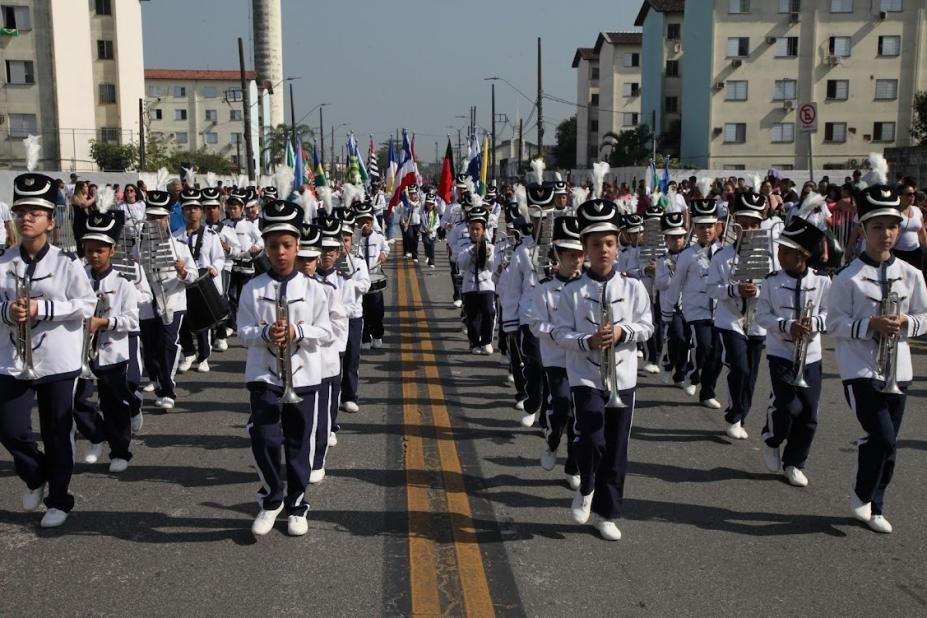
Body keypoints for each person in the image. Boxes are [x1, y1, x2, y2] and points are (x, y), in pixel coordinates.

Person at [552, 195, 653, 541]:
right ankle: (587, 485)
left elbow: (648, 326)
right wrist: (587, 341)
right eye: (596, 245)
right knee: (591, 439)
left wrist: (623, 332)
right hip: (585, 375)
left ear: (619, 245)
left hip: (622, 377)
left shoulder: (633, 287)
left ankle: (607, 513)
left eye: (610, 243)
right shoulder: (573, 291)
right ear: (584, 248)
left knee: (616, 449)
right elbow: (560, 333)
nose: (604, 251)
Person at [829, 183, 927, 534]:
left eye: (892, 226)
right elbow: (834, 323)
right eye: (877, 227)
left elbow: (924, 317)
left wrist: (906, 322)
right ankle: (861, 493)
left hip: (897, 368)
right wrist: (870, 323)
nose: (886, 234)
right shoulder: (847, 278)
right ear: (864, 230)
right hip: (859, 368)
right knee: (883, 437)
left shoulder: (912, 275)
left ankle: (876, 505)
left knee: (890, 445)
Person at [0, 173, 96, 528]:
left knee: (58, 433)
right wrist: (8, 311)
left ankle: (59, 498)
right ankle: (34, 473)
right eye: (21, 211)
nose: (26, 217)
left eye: (35, 212)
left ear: (50, 221)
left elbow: (87, 305)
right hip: (11, 359)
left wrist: (44, 309)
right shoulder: (3, 261)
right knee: (9, 428)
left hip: (57, 360)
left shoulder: (66, 263)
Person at [237, 199, 333, 537]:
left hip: (304, 375)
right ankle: (271, 498)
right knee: (264, 438)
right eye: (274, 245)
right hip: (264, 374)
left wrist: (297, 331)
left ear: (297, 247)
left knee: (298, 442)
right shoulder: (253, 288)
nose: (280, 252)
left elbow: (327, 331)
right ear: (265, 246)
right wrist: (265, 333)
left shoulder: (313, 289)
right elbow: (243, 332)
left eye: (287, 245)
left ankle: (297, 504)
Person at [755, 217, 830, 487]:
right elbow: (762, 316)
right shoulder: (772, 282)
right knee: (788, 406)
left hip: (811, 355)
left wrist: (814, 324)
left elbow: (830, 313)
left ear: (803, 255)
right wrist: (787, 326)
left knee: (809, 413)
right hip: (780, 353)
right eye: (780, 249)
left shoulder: (822, 281)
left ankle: (795, 462)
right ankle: (771, 438)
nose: (780, 255)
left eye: (786, 251)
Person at [72, 206, 141, 474]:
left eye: (100, 250)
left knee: (114, 405)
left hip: (112, 353)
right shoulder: (78, 279)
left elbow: (132, 321)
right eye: (90, 250)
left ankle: (120, 451)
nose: (95, 255)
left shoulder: (123, 283)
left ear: (111, 250)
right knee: (78, 402)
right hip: (81, 354)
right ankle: (96, 435)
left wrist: (104, 323)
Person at [525, 215, 584, 490]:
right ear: (558, 256)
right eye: (570, 255)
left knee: (578, 415)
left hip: (583, 358)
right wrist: (559, 333)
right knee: (560, 405)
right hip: (556, 358)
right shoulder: (545, 289)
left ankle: (574, 464)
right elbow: (535, 323)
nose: (576, 260)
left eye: (580, 255)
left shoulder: (589, 288)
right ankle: (551, 442)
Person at [707, 190, 771, 439]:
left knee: (752, 374)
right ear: (735, 225)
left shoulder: (767, 257)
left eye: (753, 225)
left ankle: (742, 414)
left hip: (756, 323)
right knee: (740, 369)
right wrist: (734, 289)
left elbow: (775, 288)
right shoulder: (722, 256)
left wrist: (758, 290)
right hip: (730, 321)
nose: (748, 230)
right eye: (743, 225)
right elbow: (712, 289)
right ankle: (734, 413)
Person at [136, 191, 198, 410]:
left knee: (168, 344)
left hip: (173, 302)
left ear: (167, 220)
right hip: (145, 305)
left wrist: (182, 272)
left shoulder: (179, 247)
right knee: (150, 347)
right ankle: (156, 379)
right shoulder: (138, 247)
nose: (155, 223)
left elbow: (193, 277)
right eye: (151, 218)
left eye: (160, 218)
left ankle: (167, 390)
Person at [296, 223, 347, 483]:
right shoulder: (284, 290)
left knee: (321, 418)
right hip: (295, 365)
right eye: (300, 259)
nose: (305, 265)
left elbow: (337, 327)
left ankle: (317, 461)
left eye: (310, 260)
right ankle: (299, 459)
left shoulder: (328, 290)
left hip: (322, 362)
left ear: (317, 261)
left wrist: (309, 333)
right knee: (299, 420)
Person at [665, 199, 723, 407]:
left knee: (717, 354)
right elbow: (676, 285)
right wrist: (667, 312)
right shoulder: (687, 255)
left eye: (710, 226)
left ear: (717, 227)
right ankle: (692, 374)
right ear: (694, 229)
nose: (706, 230)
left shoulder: (724, 253)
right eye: (701, 227)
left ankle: (708, 392)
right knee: (704, 346)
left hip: (720, 309)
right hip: (695, 309)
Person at [174, 189, 225, 373]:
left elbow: (220, 258)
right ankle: (188, 353)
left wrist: (214, 268)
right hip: (183, 282)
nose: (192, 212)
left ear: (201, 211)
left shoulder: (211, 235)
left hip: (203, 283)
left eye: (195, 208)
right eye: (188, 208)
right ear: (183, 212)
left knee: (202, 321)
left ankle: (203, 357)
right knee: (184, 320)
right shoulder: (176, 236)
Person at [202, 187, 242, 352]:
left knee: (221, 299)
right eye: (208, 208)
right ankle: (207, 336)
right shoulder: (200, 228)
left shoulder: (227, 229)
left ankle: (221, 334)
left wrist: (228, 249)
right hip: (203, 268)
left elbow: (238, 251)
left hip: (223, 268)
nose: (212, 211)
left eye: (214, 207)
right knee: (204, 302)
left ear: (219, 209)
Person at [653, 212, 690, 386]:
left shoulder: (691, 257)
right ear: (666, 239)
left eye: (680, 237)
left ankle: (681, 374)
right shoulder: (662, 260)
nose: (677, 241)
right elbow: (659, 283)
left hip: (690, 303)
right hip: (671, 304)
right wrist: (674, 276)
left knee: (687, 340)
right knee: (677, 336)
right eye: (673, 238)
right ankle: (668, 363)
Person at [456, 204, 496, 354]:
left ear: (483, 230)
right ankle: (474, 343)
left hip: (487, 286)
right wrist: (472, 253)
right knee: (471, 316)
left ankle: (486, 341)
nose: (475, 232)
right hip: (470, 287)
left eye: (478, 229)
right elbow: (461, 264)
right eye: (472, 229)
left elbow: (493, 265)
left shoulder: (491, 247)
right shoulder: (463, 245)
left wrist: (487, 255)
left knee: (488, 313)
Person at [355, 201, 389, 350]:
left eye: (367, 221)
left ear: (372, 221)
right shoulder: (355, 239)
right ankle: (365, 337)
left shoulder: (379, 237)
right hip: (361, 279)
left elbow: (385, 249)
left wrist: (383, 254)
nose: (365, 224)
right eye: (361, 221)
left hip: (375, 278)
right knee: (362, 310)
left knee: (377, 310)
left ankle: (377, 335)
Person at [891, 179, 927, 269]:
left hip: (916, 252)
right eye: (909, 194)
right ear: (900, 196)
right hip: (898, 252)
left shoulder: (917, 210)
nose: (913, 197)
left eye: (914, 194)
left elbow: (922, 232)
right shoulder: (894, 212)